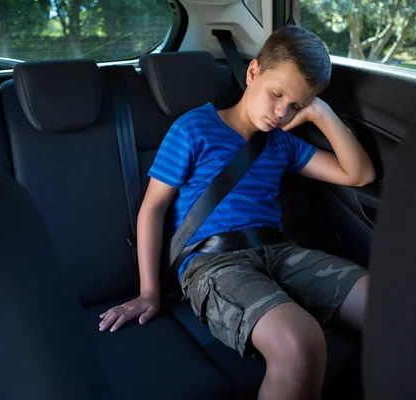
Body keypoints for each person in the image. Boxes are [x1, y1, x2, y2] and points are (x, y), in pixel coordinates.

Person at [99, 25, 375, 400]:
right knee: (300, 342)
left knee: (386, 300)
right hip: (213, 264)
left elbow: (359, 174)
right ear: (252, 72)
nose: (282, 112)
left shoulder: (282, 143)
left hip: (279, 252)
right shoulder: (194, 128)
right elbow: (153, 207)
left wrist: (321, 113)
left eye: (296, 105)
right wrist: (149, 292)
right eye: (276, 94)